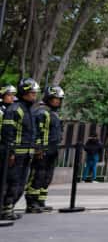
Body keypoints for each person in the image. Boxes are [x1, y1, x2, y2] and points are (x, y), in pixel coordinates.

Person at [1, 78, 39, 221]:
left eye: (35, 93)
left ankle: (8, 208)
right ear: (24, 93)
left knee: (20, 183)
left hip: (25, 154)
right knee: (12, 182)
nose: (34, 96)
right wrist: (10, 152)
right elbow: (8, 132)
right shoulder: (15, 109)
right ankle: (5, 209)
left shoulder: (28, 110)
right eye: (32, 93)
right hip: (15, 155)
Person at [25, 85, 64, 213]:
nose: (57, 101)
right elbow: (36, 132)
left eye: (59, 99)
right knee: (38, 175)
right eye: (55, 98)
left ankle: (41, 201)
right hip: (43, 151)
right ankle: (32, 203)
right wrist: (38, 148)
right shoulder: (42, 112)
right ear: (48, 98)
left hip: (52, 150)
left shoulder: (54, 113)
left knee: (47, 177)